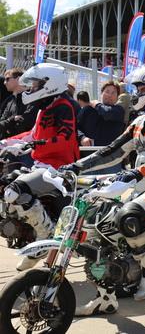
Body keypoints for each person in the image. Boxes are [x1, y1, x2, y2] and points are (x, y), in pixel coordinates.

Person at [61, 63, 145, 314]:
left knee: (128, 215)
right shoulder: (140, 121)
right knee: (97, 229)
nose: (137, 93)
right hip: (140, 189)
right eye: (137, 88)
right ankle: (106, 297)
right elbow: (112, 151)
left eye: (142, 88)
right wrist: (76, 167)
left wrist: (137, 172)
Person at [1, 63, 80, 270]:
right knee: (5, 186)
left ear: (49, 84)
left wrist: (34, 145)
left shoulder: (64, 106)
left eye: (35, 84)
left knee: (14, 191)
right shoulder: (44, 108)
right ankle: (28, 232)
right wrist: (6, 143)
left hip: (58, 168)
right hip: (40, 165)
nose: (31, 88)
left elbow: (65, 139)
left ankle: (45, 234)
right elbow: (32, 135)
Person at [81, 81, 126, 147]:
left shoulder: (119, 110)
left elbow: (107, 113)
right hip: (88, 150)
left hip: (110, 151)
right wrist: (82, 138)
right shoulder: (88, 109)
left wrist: (97, 105)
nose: (110, 95)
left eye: (113, 93)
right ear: (101, 93)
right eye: (107, 91)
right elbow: (76, 126)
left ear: (117, 97)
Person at [0, 68, 39, 139]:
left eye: (7, 79)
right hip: (7, 142)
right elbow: (2, 123)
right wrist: (11, 120)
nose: (4, 82)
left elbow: (26, 123)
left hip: (24, 142)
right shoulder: (9, 101)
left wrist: (9, 123)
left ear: (18, 79)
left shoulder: (32, 98)